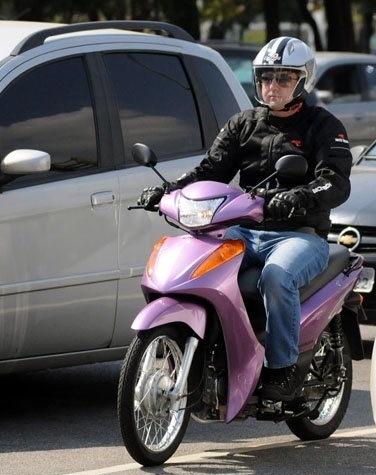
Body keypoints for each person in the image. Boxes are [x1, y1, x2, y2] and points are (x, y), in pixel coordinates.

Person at [138, 36, 352, 401]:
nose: (273, 86)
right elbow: (210, 171)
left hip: (299, 235)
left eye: (283, 78)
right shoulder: (243, 124)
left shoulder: (324, 125)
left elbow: (335, 182)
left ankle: (282, 368)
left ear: (303, 81)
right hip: (243, 230)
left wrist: (300, 196)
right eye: (266, 77)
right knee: (196, 268)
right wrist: (169, 190)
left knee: (276, 276)